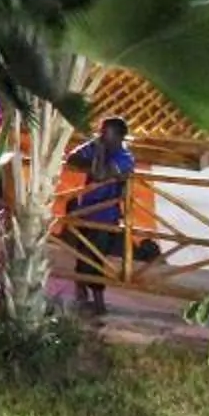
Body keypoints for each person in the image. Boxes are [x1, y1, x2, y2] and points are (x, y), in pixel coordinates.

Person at [64, 115, 138, 314]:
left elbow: (100, 175)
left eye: (106, 132)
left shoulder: (125, 157)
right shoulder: (97, 147)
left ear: (119, 136)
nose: (101, 135)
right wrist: (95, 160)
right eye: (101, 131)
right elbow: (71, 158)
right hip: (86, 211)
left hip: (106, 215)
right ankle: (82, 297)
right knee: (81, 255)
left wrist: (97, 156)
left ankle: (98, 301)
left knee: (96, 257)